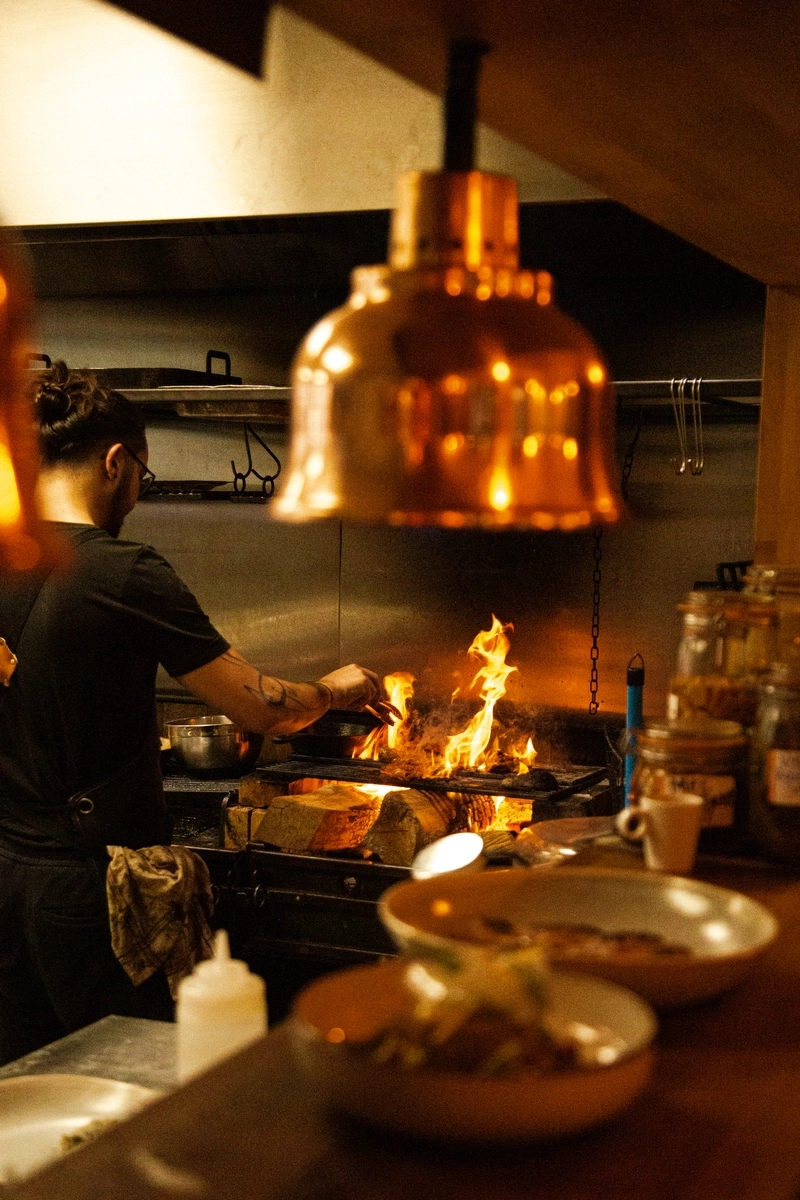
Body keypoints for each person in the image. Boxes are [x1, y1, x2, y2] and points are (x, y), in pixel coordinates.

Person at [0, 362, 381, 1064]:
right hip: (89, 899)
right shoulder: (123, 571)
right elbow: (264, 711)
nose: (139, 493)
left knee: (24, 1092)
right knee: (127, 1087)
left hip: (8, 878)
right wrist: (334, 688)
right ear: (117, 461)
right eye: (142, 472)